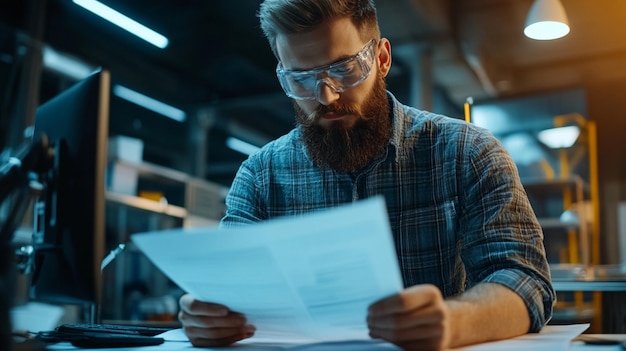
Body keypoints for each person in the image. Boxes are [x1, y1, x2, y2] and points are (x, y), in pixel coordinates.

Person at [178, 0, 555, 350]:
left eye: (344, 69)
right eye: (301, 79)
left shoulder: (467, 153)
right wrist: (207, 314)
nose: (325, 96)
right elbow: (231, 289)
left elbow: (525, 280)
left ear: (382, 58)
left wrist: (456, 320)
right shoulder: (260, 176)